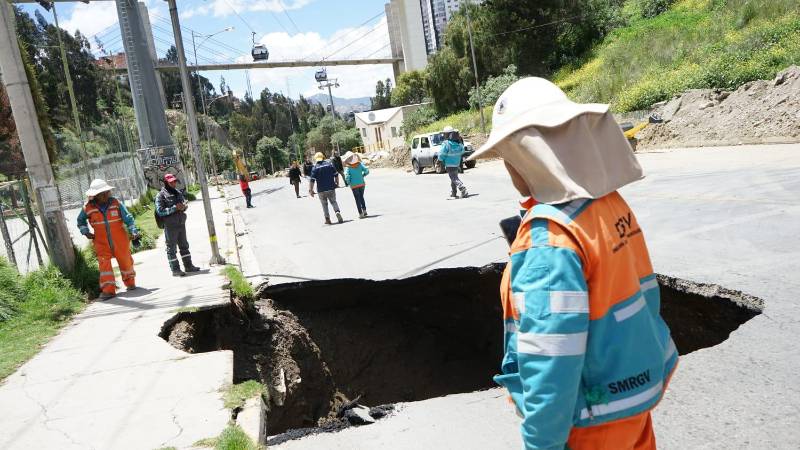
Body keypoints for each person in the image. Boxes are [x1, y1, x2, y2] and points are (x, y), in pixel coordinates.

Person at [468, 78, 678, 450]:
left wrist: (541, 443)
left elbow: (552, 358)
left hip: (589, 422)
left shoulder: (549, 238)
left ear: (526, 154)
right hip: (631, 405)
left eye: (507, 157)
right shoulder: (609, 204)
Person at [77, 179, 139, 300]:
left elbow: (128, 218)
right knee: (104, 266)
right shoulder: (87, 208)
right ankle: (108, 290)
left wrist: (133, 230)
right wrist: (85, 232)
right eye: (102, 193)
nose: (106, 195)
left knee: (126, 261)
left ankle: (130, 283)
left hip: (120, 240)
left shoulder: (116, 203)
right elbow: (80, 221)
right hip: (101, 242)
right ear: (95, 195)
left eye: (107, 192)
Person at [155, 173, 201, 277]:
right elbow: (160, 211)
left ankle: (188, 266)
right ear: (166, 183)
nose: (174, 183)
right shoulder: (161, 195)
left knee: (184, 246)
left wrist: (184, 207)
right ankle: (175, 270)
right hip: (170, 225)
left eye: (174, 181)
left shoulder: (177, 192)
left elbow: (183, 204)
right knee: (171, 248)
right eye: (171, 182)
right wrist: (174, 208)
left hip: (181, 223)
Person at [309, 152, 343, 225]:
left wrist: (311, 190)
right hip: (331, 187)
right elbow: (336, 174)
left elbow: (312, 180)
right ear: (323, 157)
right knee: (333, 201)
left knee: (324, 204)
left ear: (315, 159)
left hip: (321, 190)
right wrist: (337, 183)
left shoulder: (315, 168)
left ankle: (327, 219)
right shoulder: (329, 165)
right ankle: (337, 211)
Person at [439, 126, 468, 198]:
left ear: (448, 134)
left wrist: (439, 160)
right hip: (456, 164)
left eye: (445, 134)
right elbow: (462, 151)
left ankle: (462, 188)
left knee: (453, 178)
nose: (444, 135)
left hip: (449, 164)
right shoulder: (458, 143)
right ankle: (454, 193)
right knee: (454, 179)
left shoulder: (446, 144)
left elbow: (442, 154)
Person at [342, 151, 370, 218]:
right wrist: (363, 175)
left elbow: (347, 177)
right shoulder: (360, 164)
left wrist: (349, 183)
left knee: (357, 199)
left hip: (354, 186)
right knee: (361, 197)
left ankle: (360, 214)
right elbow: (367, 170)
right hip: (362, 184)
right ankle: (364, 210)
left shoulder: (348, 167)